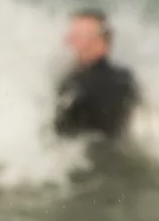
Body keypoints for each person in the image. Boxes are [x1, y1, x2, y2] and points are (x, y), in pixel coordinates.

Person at [54, 9, 140, 142]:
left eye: (77, 37)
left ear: (100, 44)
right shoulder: (125, 77)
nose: (68, 41)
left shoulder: (78, 85)